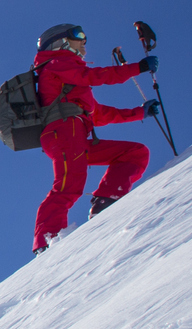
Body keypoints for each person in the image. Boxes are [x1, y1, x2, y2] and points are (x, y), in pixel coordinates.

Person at [30, 24, 163, 252]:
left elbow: (99, 114)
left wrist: (140, 112)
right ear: (59, 42)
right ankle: (47, 242)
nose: (84, 41)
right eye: (78, 36)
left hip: (76, 134)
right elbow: (95, 76)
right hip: (64, 131)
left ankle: (106, 201)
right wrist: (136, 68)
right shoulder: (56, 63)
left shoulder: (70, 77)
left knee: (135, 153)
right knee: (69, 184)